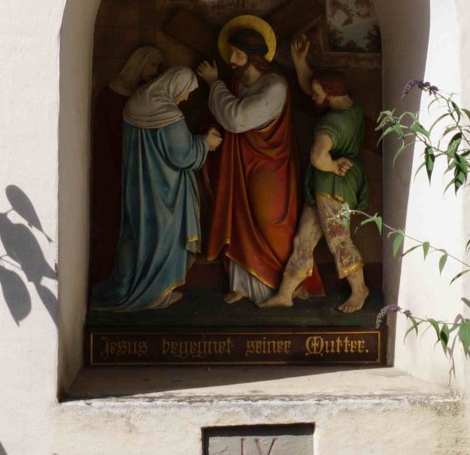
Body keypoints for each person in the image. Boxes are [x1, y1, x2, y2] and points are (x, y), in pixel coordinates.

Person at [200, 23, 320, 304]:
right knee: (240, 219)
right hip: (239, 164)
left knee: (271, 223)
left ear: (254, 57)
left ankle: (283, 286)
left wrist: (213, 84)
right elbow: (219, 116)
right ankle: (243, 285)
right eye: (231, 53)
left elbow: (236, 118)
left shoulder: (275, 86)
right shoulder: (235, 84)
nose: (231, 60)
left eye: (238, 54)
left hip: (271, 168)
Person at [93, 67, 221, 311]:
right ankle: (155, 295)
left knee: (137, 237)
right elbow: (184, 155)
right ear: (175, 86)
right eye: (186, 92)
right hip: (165, 193)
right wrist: (206, 142)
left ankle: (126, 286)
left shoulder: (135, 105)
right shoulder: (168, 114)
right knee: (164, 241)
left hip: (138, 187)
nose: (185, 98)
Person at [263, 37, 370, 312]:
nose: (312, 97)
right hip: (327, 185)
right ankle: (286, 293)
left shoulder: (331, 123)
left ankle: (359, 290)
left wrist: (332, 166)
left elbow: (317, 157)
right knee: (304, 239)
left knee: (338, 239)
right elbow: (315, 86)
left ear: (329, 94)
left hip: (334, 185)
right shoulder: (350, 107)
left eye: (317, 94)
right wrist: (300, 62)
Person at [90, 45, 165, 282]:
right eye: (152, 64)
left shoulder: (138, 93)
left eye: (158, 66)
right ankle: (108, 275)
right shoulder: (115, 92)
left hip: (130, 165)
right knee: (112, 219)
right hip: (113, 164)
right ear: (139, 62)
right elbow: (113, 132)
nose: (155, 70)